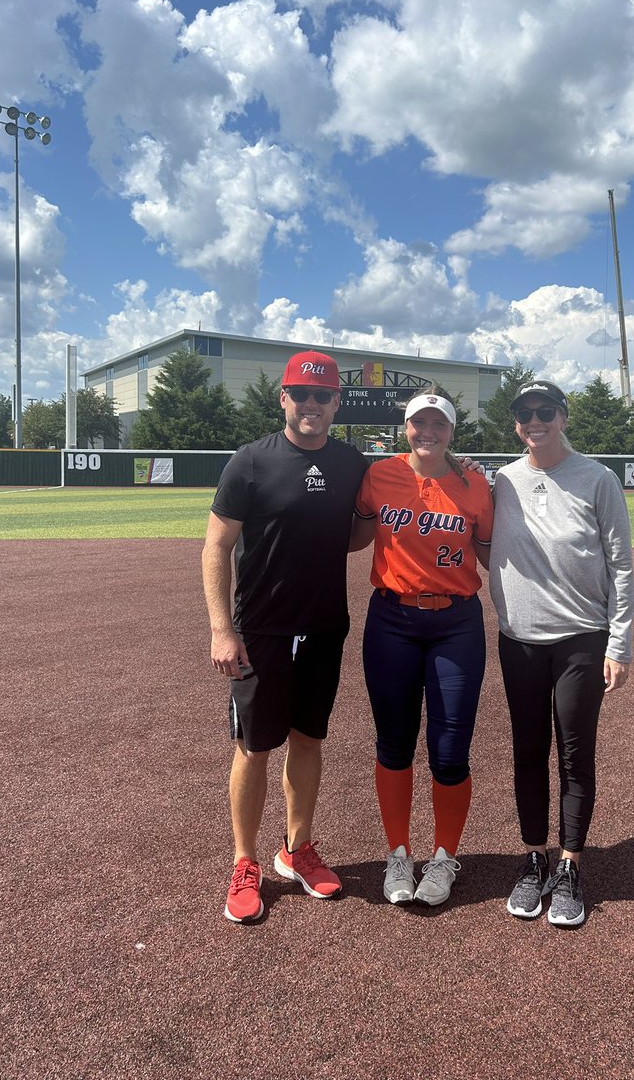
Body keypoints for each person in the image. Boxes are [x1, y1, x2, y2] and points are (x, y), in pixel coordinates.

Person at [202, 350, 368, 923]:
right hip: (261, 631)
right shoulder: (250, 462)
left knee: (308, 740)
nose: (312, 405)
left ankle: (296, 849)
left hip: (323, 627)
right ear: (284, 398)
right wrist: (222, 629)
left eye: (323, 396)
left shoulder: (351, 463)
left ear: (337, 403)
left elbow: (353, 535)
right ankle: (244, 861)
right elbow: (216, 547)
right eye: (302, 394)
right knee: (254, 746)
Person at [488, 379, 634, 927]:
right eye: (524, 413)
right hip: (519, 637)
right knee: (527, 750)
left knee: (575, 753)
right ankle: (534, 857)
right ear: (516, 424)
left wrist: (619, 642)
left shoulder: (598, 479)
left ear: (564, 417)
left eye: (545, 411)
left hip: (582, 638)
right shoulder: (502, 479)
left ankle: (570, 863)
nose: (534, 421)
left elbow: (621, 564)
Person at [351, 388, 494, 907]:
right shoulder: (379, 475)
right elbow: (354, 536)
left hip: (456, 622)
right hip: (391, 617)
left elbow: (492, 550)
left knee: (450, 749)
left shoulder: (475, 482)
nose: (427, 432)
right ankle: (398, 854)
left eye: (438, 424)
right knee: (393, 741)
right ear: (405, 427)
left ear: (452, 431)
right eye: (418, 423)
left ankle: (442, 856)